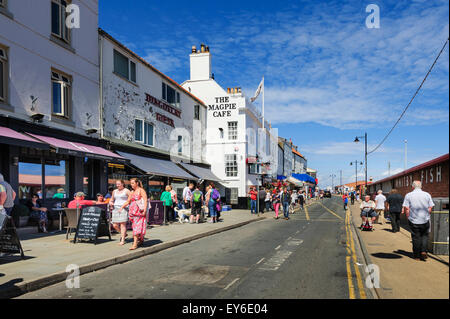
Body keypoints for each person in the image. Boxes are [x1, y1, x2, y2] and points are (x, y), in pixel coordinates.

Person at [402, 181, 435, 261]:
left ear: (412, 187)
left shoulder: (408, 195)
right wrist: (427, 215)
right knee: (425, 236)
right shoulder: (427, 194)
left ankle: (417, 256)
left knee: (416, 237)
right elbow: (430, 207)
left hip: (413, 219)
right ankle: (423, 251)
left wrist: (408, 217)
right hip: (425, 219)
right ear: (421, 186)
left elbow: (406, 208)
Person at [124, 178, 148, 250]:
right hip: (132, 212)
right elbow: (128, 201)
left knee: (136, 227)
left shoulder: (141, 190)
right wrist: (121, 207)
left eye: (132, 183)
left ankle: (135, 244)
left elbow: (145, 200)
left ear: (137, 183)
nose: (131, 185)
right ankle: (141, 240)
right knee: (136, 226)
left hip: (139, 212)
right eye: (131, 183)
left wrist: (144, 210)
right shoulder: (132, 192)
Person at [109, 180, 131, 246]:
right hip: (115, 208)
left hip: (124, 208)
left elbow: (130, 199)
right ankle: (124, 234)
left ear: (122, 184)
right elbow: (112, 199)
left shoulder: (126, 190)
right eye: (116, 184)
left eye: (119, 184)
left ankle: (122, 240)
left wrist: (126, 205)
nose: (117, 185)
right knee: (114, 225)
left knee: (122, 224)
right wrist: (110, 202)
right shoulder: (114, 191)